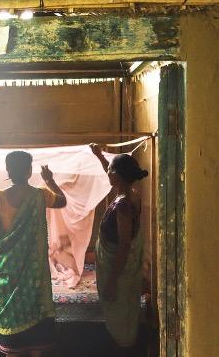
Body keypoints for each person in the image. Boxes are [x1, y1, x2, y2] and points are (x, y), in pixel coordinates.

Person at [0, 151, 67, 357]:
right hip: (34, 273)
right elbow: (62, 201)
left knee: (13, 332)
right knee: (36, 325)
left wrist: (8, 243)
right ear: (29, 171)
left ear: (8, 170)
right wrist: (50, 180)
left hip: (8, 271)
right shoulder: (40, 195)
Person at [90, 143, 148, 357]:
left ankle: (126, 351)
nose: (107, 172)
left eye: (110, 170)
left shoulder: (123, 206)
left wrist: (112, 281)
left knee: (121, 324)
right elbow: (114, 170)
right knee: (124, 319)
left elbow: (124, 246)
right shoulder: (131, 193)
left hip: (119, 274)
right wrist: (99, 157)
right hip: (123, 272)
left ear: (118, 175)